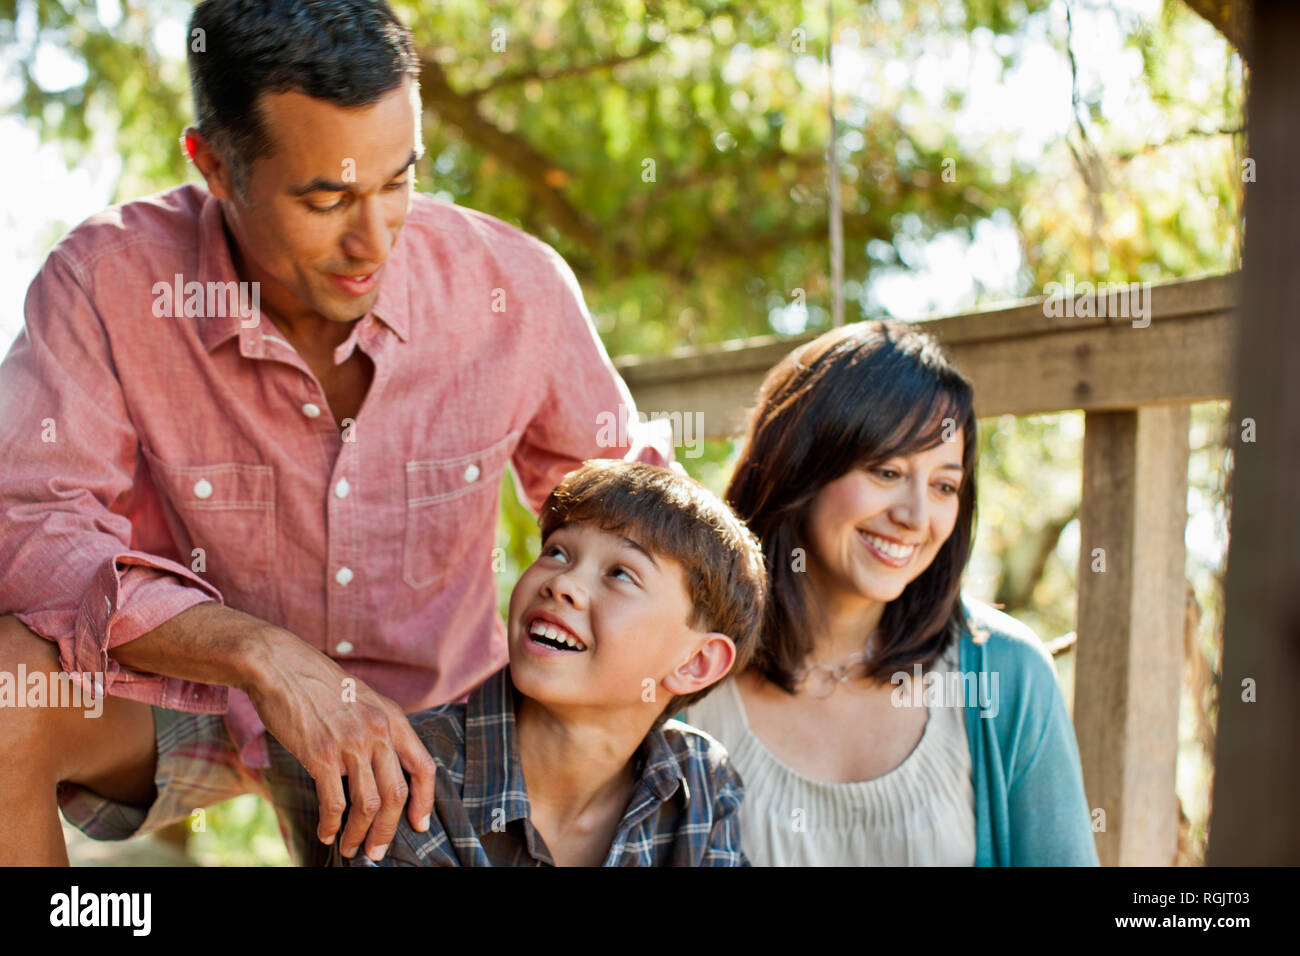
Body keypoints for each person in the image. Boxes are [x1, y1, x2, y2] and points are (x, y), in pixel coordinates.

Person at [0, 0, 670, 866]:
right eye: (326, 199)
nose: (373, 240)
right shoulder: (107, 281)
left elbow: (648, 525)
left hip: (444, 732)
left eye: (398, 182)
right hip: (201, 695)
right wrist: (261, 656)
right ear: (214, 166)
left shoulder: (516, 287)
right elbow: (34, 531)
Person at [684, 320, 1099, 866]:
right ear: (799, 466)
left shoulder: (1006, 673)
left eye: (944, 485)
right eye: (886, 472)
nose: (916, 517)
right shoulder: (684, 666)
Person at [334, 459, 765, 866]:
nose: (563, 583)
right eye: (557, 552)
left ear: (696, 662)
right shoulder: (408, 775)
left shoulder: (702, 783)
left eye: (620, 573)